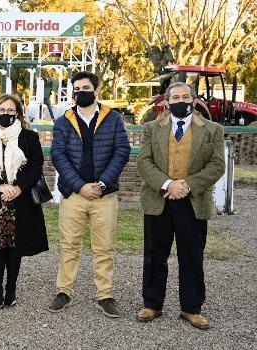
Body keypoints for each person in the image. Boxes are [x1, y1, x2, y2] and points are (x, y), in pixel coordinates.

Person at [136, 82, 225, 330]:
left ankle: (191, 308)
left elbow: (217, 165)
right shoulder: (152, 128)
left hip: (193, 202)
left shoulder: (212, 130)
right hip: (159, 200)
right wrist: (167, 184)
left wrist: (187, 185)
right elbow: (144, 162)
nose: (181, 100)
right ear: (167, 102)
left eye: (186, 96)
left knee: (192, 256)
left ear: (194, 100)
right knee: (154, 256)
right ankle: (152, 304)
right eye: (176, 97)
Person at [48, 71, 130, 318]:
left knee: (104, 247)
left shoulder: (113, 118)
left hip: (104, 195)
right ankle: (64, 291)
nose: (81, 92)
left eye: (86, 87)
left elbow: (121, 151)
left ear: (97, 90)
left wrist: (103, 183)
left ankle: (104, 295)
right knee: (69, 245)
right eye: (77, 88)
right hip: (74, 194)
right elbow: (58, 155)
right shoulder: (63, 121)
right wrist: (79, 185)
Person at [0, 94, 49, 308]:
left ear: (18, 113)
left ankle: (11, 289)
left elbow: (36, 166)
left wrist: (18, 188)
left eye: (11, 110)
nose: (6, 114)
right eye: (2, 110)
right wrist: (0, 185)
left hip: (20, 201)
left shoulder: (29, 138)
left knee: (15, 249)